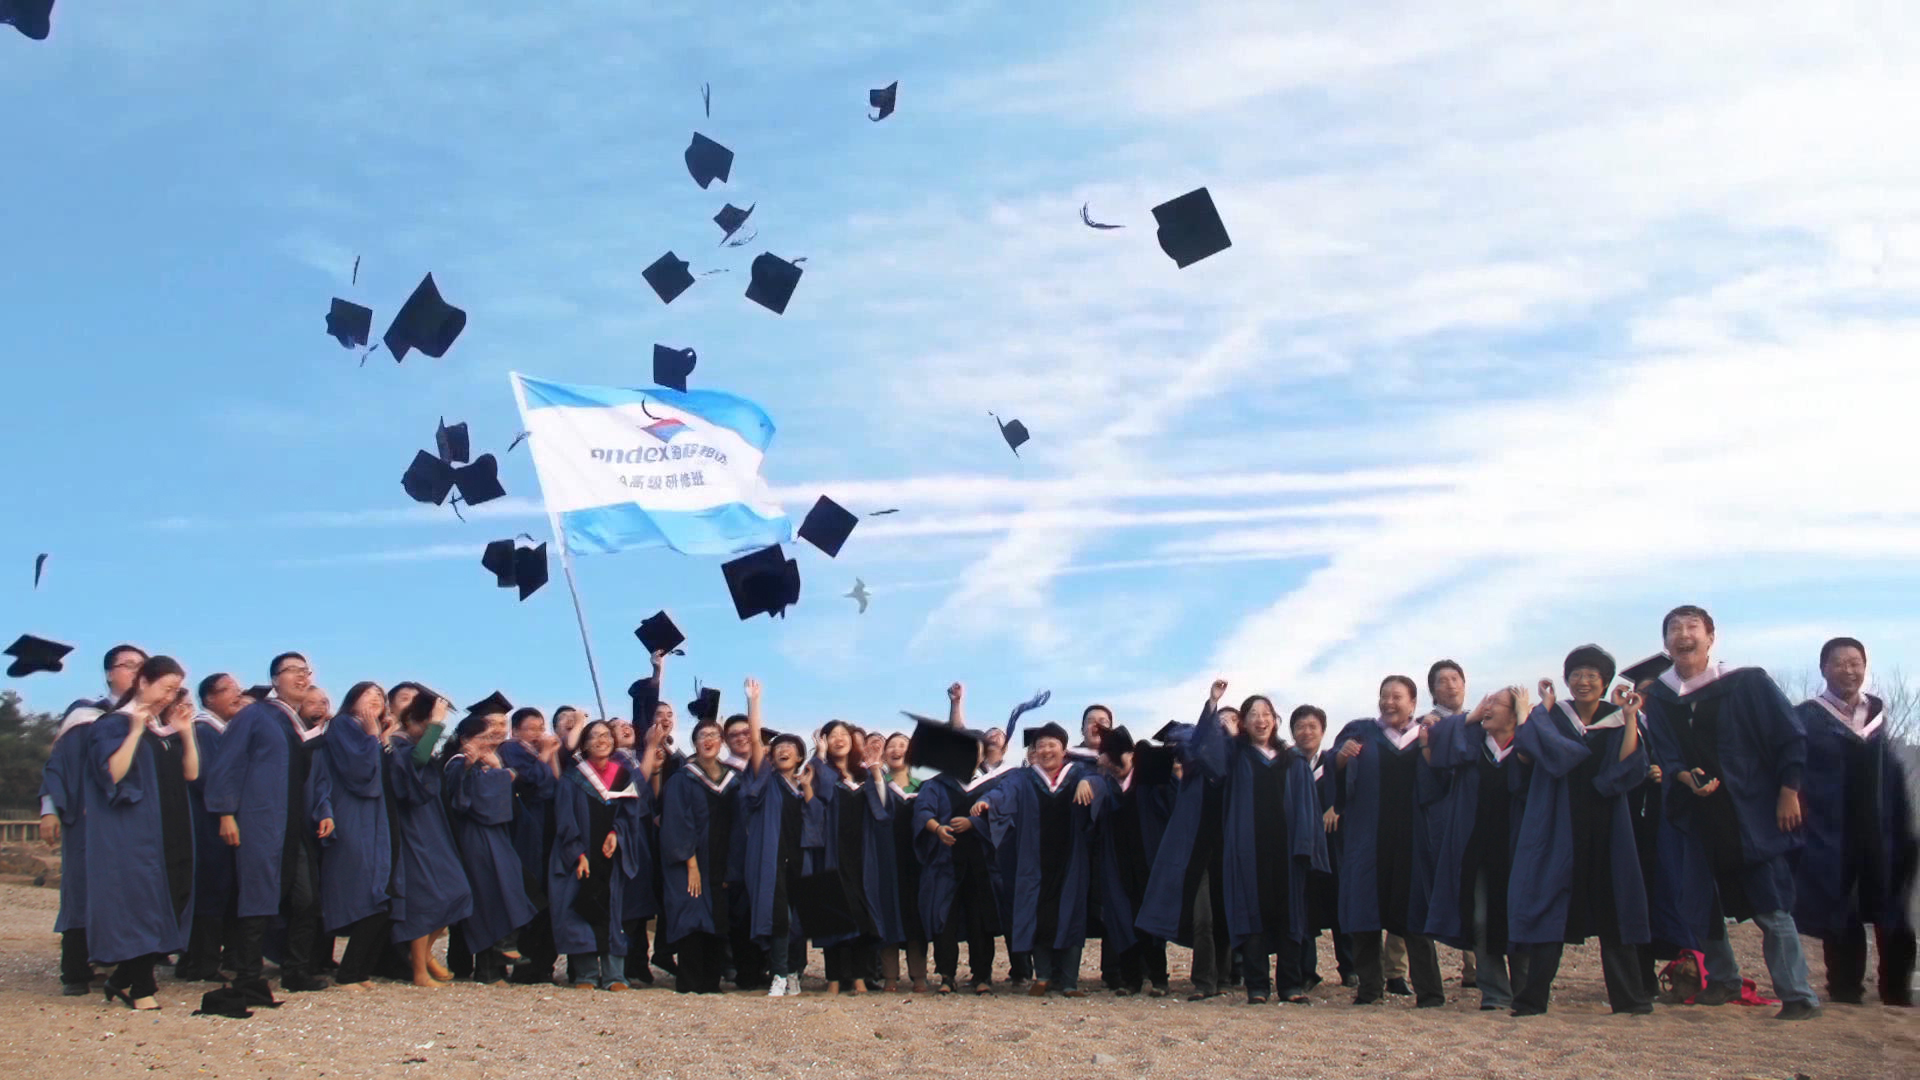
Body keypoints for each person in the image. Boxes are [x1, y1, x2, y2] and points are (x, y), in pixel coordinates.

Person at [1639, 605, 1820, 1020]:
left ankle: (1798, 995)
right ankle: (1723, 980)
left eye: (1692, 627)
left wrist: (1789, 790)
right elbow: (1665, 751)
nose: (1684, 635)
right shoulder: (1662, 696)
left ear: (1710, 637)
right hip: (1695, 814)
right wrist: (1684, 778)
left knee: (1771, 908)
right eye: (1674, 629)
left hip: (1750, 811)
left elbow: (1789, 735)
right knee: (1700, 903)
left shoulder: (1747, 682)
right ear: (1665, 642)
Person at [1507, 650, 1654, 1016]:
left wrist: (1629, 717)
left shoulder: (1616, 717)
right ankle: (1531, 999)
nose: (1583, 681)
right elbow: (1526, 749)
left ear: (1605, 682)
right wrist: (1543, 708)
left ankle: (1630, 999)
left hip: (1607, 824)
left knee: (1614, 904)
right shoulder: (1555, 716)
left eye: (1591, 675)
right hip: (1558, 821)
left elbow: (1629, 765)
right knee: (1549, 904)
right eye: (1576, 674)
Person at [1792, 637, 1915, 1007]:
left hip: (1882, 829)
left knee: (1893, 908)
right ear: (1823, 669)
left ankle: (1895, 990)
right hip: (1830, 828)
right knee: (1840, 908)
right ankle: (1845, 989)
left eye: (1855, 663)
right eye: (1839, 663)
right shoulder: (1806, 717)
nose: (1849, 670)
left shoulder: (1877, 716)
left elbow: (1893, 776)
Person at [1190, 683, 1328, 1004]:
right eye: (1253, 714)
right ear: (1244, 722)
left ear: (1275, 721)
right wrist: (1212, 704)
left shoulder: (1293, 760)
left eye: (1266, 714)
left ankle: (1290, 985)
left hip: (1288, 852)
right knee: (1251, 914)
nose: (1261, 719)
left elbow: (1307, 807)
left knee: (1290, 917)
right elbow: (1202, 750)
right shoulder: (1235, 756)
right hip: (1247, 850)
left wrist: (1307, 847)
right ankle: (1257, 986)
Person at [202, 652, 330, 996]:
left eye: (305, 671)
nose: (301, 677)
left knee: (306, 898)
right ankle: (248, 976)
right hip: (260, 819)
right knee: (257, 896)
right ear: (274, 680)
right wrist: (225, 813)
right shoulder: (256, 714)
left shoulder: (295, 723)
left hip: (293, 822)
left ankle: (296, 970)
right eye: (292, 671)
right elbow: (227, 763)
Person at [85, 658, 199, 1009]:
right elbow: (112, 773)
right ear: (143, 682)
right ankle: (141, 987)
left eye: (175, 690)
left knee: (174, 895)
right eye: (166, 688)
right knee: (142, 902)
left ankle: (122, 979)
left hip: (172, 823)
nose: (169, 697)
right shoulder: (113, 724)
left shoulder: (161, 728)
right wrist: (134, 732)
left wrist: (185, 732)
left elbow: (192, 774)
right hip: (136, 831)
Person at [1331, 676, 1446, 1007]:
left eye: (1397, 697)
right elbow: (1336, 773)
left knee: (1415, 915)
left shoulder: (1426, 735)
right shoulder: (1361, 732)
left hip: (1412, 838)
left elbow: (1440, 782)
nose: (1389, 702)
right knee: (1364, 914)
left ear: (1413, 703)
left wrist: (1427, 745)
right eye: (1385, 696)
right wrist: (1341, 758)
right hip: (1368, 838)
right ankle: (1369, 989)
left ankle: (1430, 992)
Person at [40, 642, 147, 996]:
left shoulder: (148, 718)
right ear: (109, 674)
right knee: (83, 886)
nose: (136, 671)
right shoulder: (86, 714)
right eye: (128, 665)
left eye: (142, 666)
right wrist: (49, 808)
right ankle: (75, 970)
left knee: (128, 888)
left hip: (131, 819)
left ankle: (119, 961)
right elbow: (59, 763)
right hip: (88, 816)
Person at [1422, 684, 1530, 1012]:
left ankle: (1526, 991)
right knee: (1480, 919)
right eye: (1486, 702)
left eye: (1496, 704)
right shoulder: (1474, 745)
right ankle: (1495, 992)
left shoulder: (1525, 746)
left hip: (1518, 847)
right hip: (1476, 847)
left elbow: (1538, 756)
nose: (1487, 707)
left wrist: (1525, 717)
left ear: (1514, 714)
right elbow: (1436, 743)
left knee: (1520, 918)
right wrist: (1468, 718)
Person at [971, 722, 1098, 997]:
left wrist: (1089, 782)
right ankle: (1043, 976)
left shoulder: (1078, 774)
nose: (1046, 750)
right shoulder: (1024, 778)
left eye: (1052, 745)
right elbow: (1003, 791)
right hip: (1033, 861)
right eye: (1040, 746)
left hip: (1071, 860)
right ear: (1034, 751)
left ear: (1064, 750)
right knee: (1038, 915)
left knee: (1071, 916)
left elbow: (1101, 783)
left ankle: (1069, 982)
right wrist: (988, 801)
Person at [1135, 710, 1233, 1000]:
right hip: (1187, 858)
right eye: (1174, 751)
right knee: (1203, 920)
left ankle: (1223, 975)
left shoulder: (1217, 775)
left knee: (1223, 917)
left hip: (1221, 854)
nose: (1179, 755)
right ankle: (1203, 980)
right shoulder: (1163, 783)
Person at [443, 702, 537, 985]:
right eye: (481, 737)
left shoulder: (487, 762)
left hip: (494, 835)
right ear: (465, 739)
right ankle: (486, 967)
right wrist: (501, 774)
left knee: (504, 894)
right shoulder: (457, 763)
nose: (487, 743)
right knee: (489, 899)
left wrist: (497, 770)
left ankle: (496, 962)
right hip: (475, 837)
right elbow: (477, 803)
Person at [550, 719, 648, 990]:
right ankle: (586, 975)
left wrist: (617, 833)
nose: (601, 740)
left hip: (611, 856)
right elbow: (565, 819)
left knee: (613, 911)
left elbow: (630, 814)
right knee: (580, 908)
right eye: (594, 736)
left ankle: (615, 975)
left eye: (606, 735)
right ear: (584, 744)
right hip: (581, 856)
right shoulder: (572, 778)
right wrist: (577, 853)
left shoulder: (623, 776)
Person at [384, 686, 470, 988]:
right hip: (413, 828)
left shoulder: (418, 746)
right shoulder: (396, 745)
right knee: (426, 897)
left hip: (434, 826)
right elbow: (416, 763)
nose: (429, 731)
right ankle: (420, 971)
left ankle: (425, 953)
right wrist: (434, 724)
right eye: (423, 724)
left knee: (458, 891)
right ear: (410, 721)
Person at [310, 682, 394, 990]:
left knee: (378, 891)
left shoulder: (372, 731)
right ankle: (347, 972)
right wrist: (372, 736)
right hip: (350, 813)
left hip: (373, 816)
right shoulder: (343, 724)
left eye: (380, 696)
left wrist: (381, 738)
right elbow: (359, 774)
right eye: (368, 694)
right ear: (352, 699)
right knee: (363, 890)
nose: (376, 699)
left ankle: (357, 970)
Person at [738, 678, 819, 997]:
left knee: (799, 917)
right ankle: (780, 974)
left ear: (800, 757)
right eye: (779, 748)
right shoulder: (766, 780)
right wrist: (754, 702)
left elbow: (817, 821)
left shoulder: (803, 787)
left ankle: (795, 972)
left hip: (801, 859)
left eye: (791, 748)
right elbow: (756, 742)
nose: (783, 750)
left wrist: (808, 788)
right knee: (779, 918)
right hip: (772, 859)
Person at [1086, 725, 1176, 997]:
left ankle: (1159, 979)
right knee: (1122, 919)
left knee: (1151, 919)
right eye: (1110, 762)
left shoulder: (1149, 782)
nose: (1115, 766)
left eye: (1119, 759)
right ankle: (1131, 980)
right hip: (1118, 864)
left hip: (1149, 862)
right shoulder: (1107, 786)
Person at [809, 719, 893, 994]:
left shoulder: (863, 775)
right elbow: (818, 796)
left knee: (862, 914)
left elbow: (883, 807)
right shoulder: (819, 769)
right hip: (830, 851)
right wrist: (820, 756)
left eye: (843, 734)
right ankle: (833, 979)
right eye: (831, 735)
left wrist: (876, 768)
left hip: (862, 853)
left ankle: (859, 976)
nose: (838, 739)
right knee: (832, 914)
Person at [661, 712, 740, 993]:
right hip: (691, 862)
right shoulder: (682, 779)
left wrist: (732, 866)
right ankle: (690, 981)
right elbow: (677, 823)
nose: (708, 740)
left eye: (713, 735)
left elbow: (738, 826)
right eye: (702, 736)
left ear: (722, 742)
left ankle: (711, 981)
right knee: (691, 917)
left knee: (718, 918)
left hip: (722, 861)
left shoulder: (734, 780)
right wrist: (691, 864)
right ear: (694, 743)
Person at [175, 672, 246, 982]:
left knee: (224, 890)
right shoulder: (203, 731)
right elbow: (209, 777)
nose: (237, 695)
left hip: (220, 820)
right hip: (208, 822)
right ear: (209, 699)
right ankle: (200, 963)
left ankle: (207, 958)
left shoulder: (226, 732)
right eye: (228, 690)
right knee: (210, 890)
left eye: (238, 690)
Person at [1292, 704, 1355, 989]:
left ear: (1323, 731)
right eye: (1300, 727)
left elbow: (1352, 792)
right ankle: (1307, 972)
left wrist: (1338, 808)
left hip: (1333, 847)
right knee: (1304, 911)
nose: (1306, 732)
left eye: (1312, 727)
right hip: (1301, 848)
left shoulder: (1334, 763)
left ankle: (1349, 968)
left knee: (1341, 907)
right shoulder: (1288, 765)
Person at [1425, 659, 1478, 991]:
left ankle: (1474, 966)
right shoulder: (1424, 724)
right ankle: (1399, 970)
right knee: (1424, 887)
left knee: (1470, 884)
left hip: (1470, 813)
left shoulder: (1479, 721)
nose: (1450, 685)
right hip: (1436, 813)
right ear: (1432, 690)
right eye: (1442, 681)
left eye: (1455, 678)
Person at [501, 706, 562, 984]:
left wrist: (551, 754)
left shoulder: (536, 752)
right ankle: (523, 965)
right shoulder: (511, 749)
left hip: (546, 827)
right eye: (530, 728)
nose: (537, 733)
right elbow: (533, 782)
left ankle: (542, 964)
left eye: (540, 727)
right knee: (530, 892)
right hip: (526, 827)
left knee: (546, 895)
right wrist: (546, 754)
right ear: (515, 730)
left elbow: (555, 785)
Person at [879, 732, 929, 992]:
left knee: (915, 918)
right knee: (888, 914)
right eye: (891, 746)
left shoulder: (923, 788)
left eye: (903, 745)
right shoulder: (876, 785)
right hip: (885, 860)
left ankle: (919, 975)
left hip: (916, 862)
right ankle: (890, 977)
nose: (896, 749)